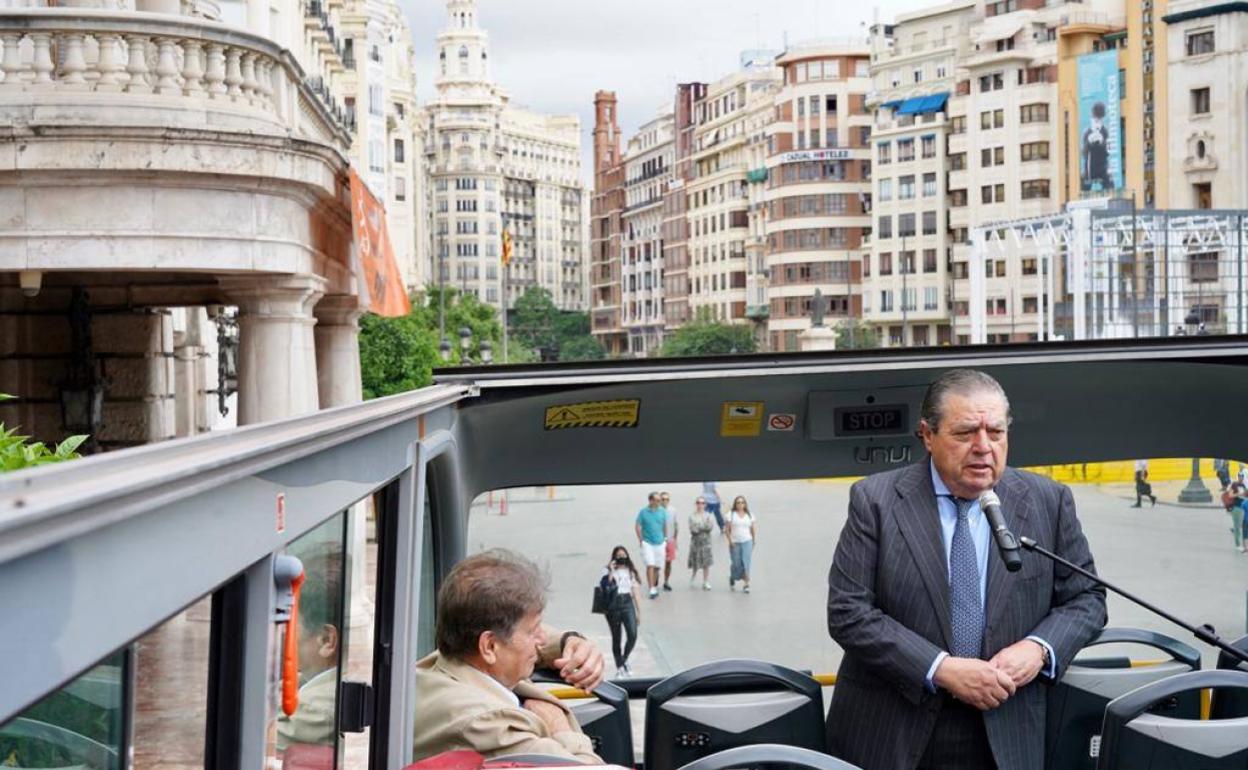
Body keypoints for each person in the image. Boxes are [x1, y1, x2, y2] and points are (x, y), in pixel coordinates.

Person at [825, 368, 1107, 770]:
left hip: (1007, 728)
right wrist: (941, 668)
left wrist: (1038, 650)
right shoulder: (875, 501)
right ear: (927, 434)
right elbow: (848, 613)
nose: (983, 447)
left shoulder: (1048, 500)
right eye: (964, 433)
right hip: (893, 730)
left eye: (995, 432)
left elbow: (1087, 598)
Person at [413, 549, 606, 763]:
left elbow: (525, 638)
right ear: (490, 646)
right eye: (533, 631)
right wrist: (560, 727)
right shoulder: (488, 724)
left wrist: (567, 641)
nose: (542, 639)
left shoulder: (447, 660)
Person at [277, 545, 343, 754]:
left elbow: (243, 731)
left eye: (289, 621)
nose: (281, 632)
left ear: (326, 640)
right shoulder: (317, 679)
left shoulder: (315, 711)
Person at [601, 545, 642, 677]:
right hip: (613, 604)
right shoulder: (607, 570)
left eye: (624, 556)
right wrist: (611, 570)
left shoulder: (630, 571)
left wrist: (639, 612)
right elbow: (606, 585)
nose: (621, 559)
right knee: (616, 637)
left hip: (627, 602)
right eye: (618, 556)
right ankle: (619, 667)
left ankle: (624, 659)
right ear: (614, 558)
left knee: (632, 634)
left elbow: (635, 592)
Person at [635, 492, 668, 599]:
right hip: (647, 542)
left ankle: (654, 584)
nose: (660, 502)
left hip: (660, 542)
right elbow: (637, 525)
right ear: (651, 501)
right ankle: (651, 589)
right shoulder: (643, 512)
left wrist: (665, 538)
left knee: (657, 567)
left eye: (660, 500)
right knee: (650, 564)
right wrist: (640, 539)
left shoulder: (663, 511)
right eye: (657, 500)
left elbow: (664, 525)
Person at [725, 495, 756, 593]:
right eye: (738, 502)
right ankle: (732, 577)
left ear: (745, 504)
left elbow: (752, 529)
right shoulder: (731, 514)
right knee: (736, 563)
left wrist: (754, 540)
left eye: (742, 502)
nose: (740, 504)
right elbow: (727, 530)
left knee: (746, 562)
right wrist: (730, 542)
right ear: (735, 504)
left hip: (747, 541)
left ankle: (746, 584)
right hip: (735, 542)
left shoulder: (749, 514)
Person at [687, 497, 716, 590]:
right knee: (695, 560)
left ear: (705, 504)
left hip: (706, 541)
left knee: (706, 562)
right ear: (696, 504)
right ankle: (694, 574)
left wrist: (701, 526)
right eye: (698, 503)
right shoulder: (692, 516)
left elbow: (710, 527)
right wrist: (703, 526)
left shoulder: (709, 515)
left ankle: (705, 581)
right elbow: (693, 529)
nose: (700, 505)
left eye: (702, 503)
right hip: (696, 541)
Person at [660, 492, 679, 592]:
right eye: (663, 499)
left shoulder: (673, 510)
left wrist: (675, 540)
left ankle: (666, 581)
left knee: (668, 563)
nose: (665, 501)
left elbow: (676, 525)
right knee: (658, 563)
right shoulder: (656, 511)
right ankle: (655, 581)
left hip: (670, 540)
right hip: (658, 541)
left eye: (667, 499)